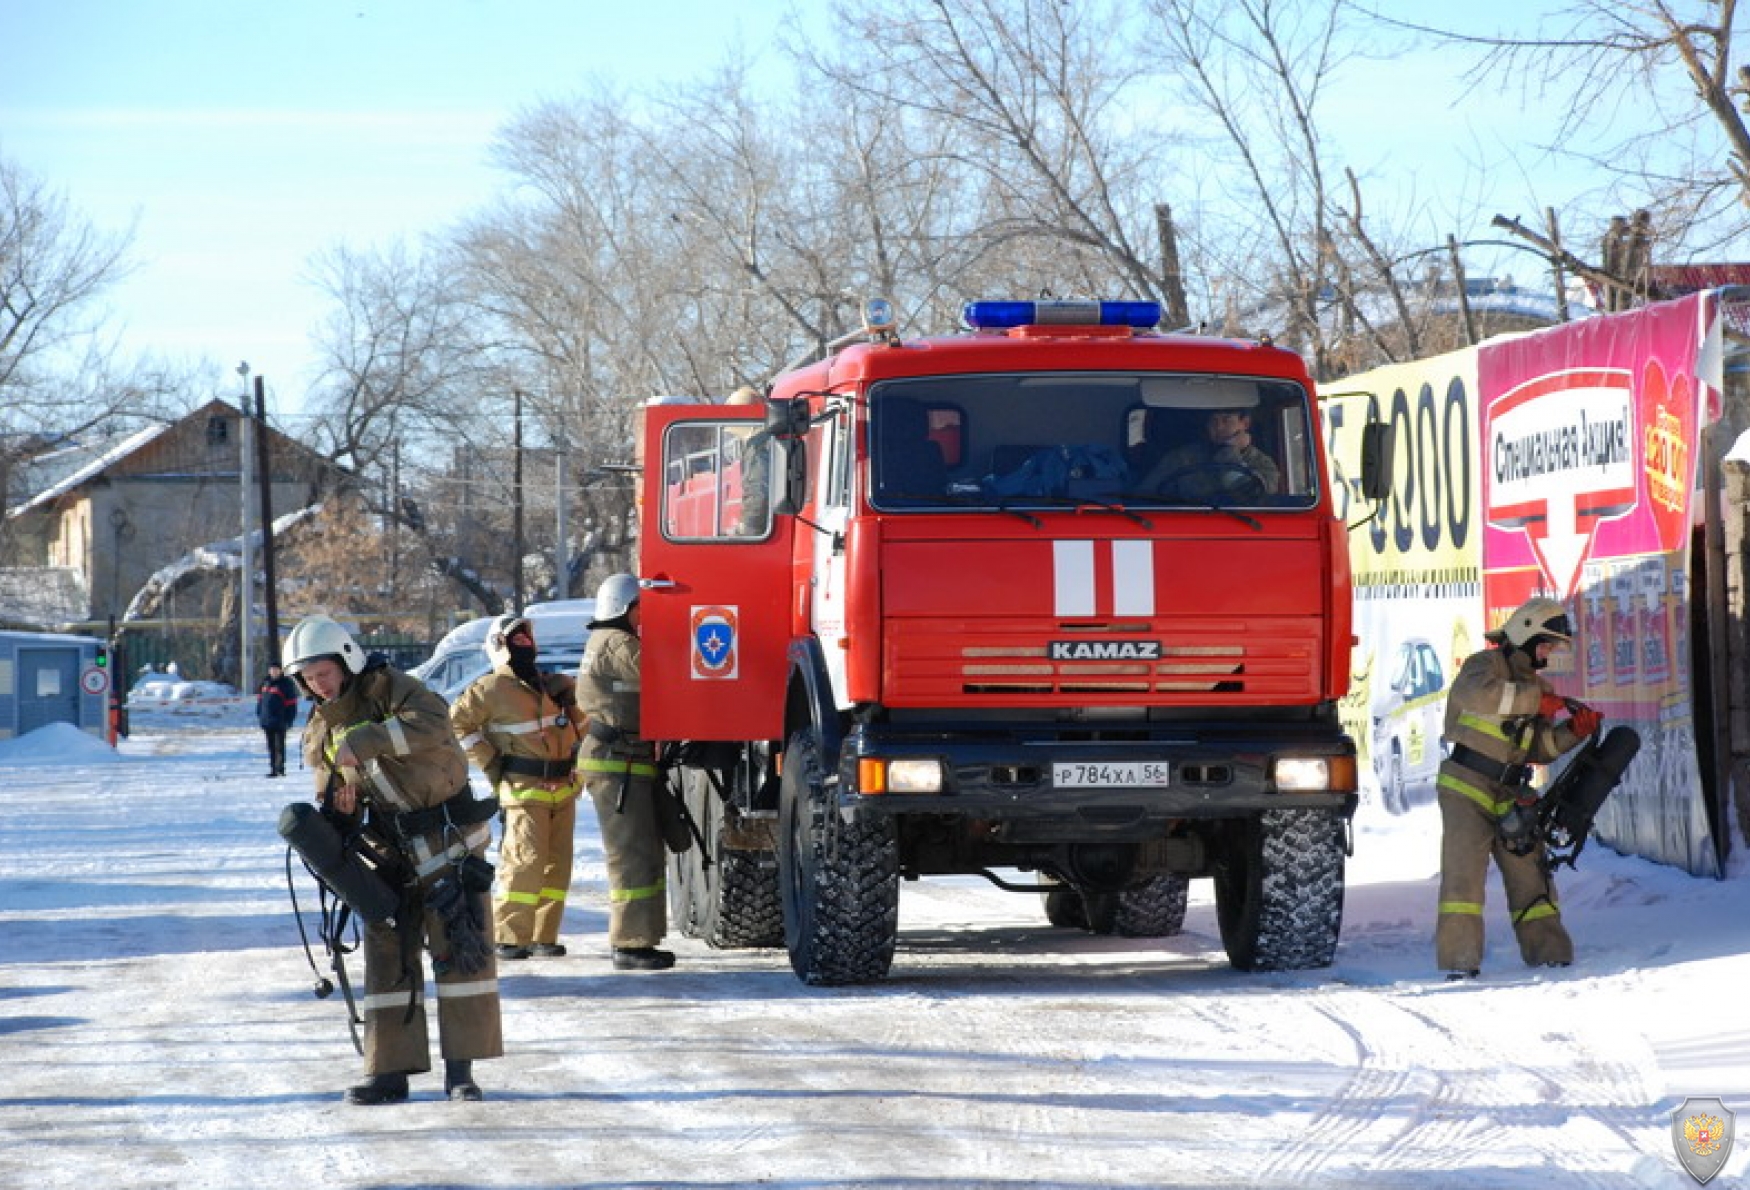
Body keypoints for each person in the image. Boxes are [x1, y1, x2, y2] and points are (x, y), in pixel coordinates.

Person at [283, 614, 503, 1104]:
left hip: (447, 841)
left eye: (324, 672)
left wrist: (364, 740)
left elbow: (433, 725)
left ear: (346, 660)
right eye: (309, 678)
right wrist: (338, 812)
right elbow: (332, 783)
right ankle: (388, 1071)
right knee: (387, 956)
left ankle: (461, 1072)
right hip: (388, 852)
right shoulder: (319, 727)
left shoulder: (397, 690)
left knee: (458, 948)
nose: (318, 685)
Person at [1433, 597, 1601, 979]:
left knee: (1531, 875)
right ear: (1525, 634)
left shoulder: (1537, 686)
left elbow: (1539, 748)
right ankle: (1460, 963)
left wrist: (1574, 732)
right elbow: (1478, 697)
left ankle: (1550, 954)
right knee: (1464, 878)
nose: (1548, 653)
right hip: (1466, 786)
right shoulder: (1482, 667)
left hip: (1510, 793)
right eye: (1546, 644)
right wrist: (1538, 701)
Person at [448, 613, 585, 961]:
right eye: (516, 639)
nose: (525, 644)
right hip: (524, 790)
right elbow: (458, 724)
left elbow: (582, 728)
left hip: (563, 788)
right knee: (525, 862)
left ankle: (544, 935)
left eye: (528, 639)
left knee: (558, 865)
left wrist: (570, 699)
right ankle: (510, 936)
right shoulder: (490, 688)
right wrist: (492, 764)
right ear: (500, 646)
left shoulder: (550, 684)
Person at [574, 574, 675, 971]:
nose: (645, 615)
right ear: (623, 608)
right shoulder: (618, 644)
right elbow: (664, 673)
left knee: (644, 853)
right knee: (632, 856)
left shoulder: (611, 641)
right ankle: (630, 943)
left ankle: (642, 939)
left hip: (626, 761)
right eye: (641, 608)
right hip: (617, 764)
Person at [1139, 408, 1280, 499]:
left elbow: (1257, 497)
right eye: (1213, 421)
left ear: (1245, 423)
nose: (1218, 427)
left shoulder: (1263, 464)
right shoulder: (1182, 458)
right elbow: (1145, 496)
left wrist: (1229, 453)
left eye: (1226, 419)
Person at [255, 662, 300, 777]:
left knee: (279, 746)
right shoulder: (265, 683)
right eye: (272, 669)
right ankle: (273, 769)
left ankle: (280, 768)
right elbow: (260, 701)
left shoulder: (285, 684)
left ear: (281, 670)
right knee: (270, 747)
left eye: (276, 669)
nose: (274, 671)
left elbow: (292, 704)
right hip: (267, 720)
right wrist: (259, 714)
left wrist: (289, 719)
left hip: (280, 720)